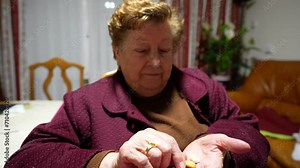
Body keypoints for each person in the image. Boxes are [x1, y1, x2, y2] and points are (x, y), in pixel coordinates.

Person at [5, 0, 269, 167]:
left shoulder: (199, 84)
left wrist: (220, 149)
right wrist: (111, 162)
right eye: (142, 51)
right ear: (117, 51)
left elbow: (248, 128)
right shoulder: (84, 102)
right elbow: (25, 159)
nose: (155, 63)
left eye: (164, 50)